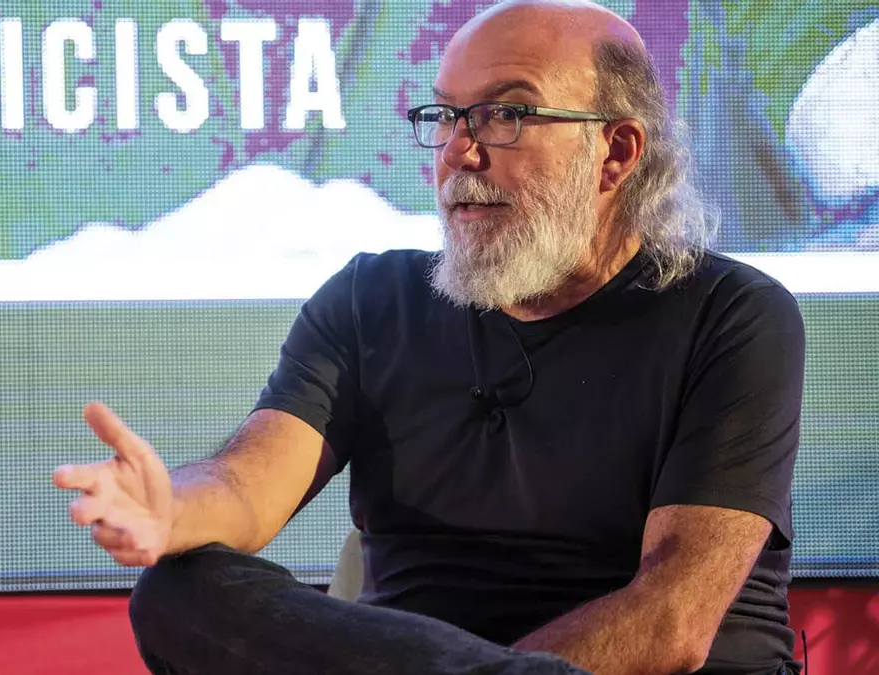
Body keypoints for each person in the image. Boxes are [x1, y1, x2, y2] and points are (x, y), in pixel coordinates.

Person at [52, 1, 805, 673]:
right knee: (183, 589)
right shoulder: (372, 300)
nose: (458, 152)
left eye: (507, 114)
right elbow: (247, 485)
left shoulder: (732, 315)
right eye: (446, 116)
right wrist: (171, 507)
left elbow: (671, 620)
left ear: (616, 152)